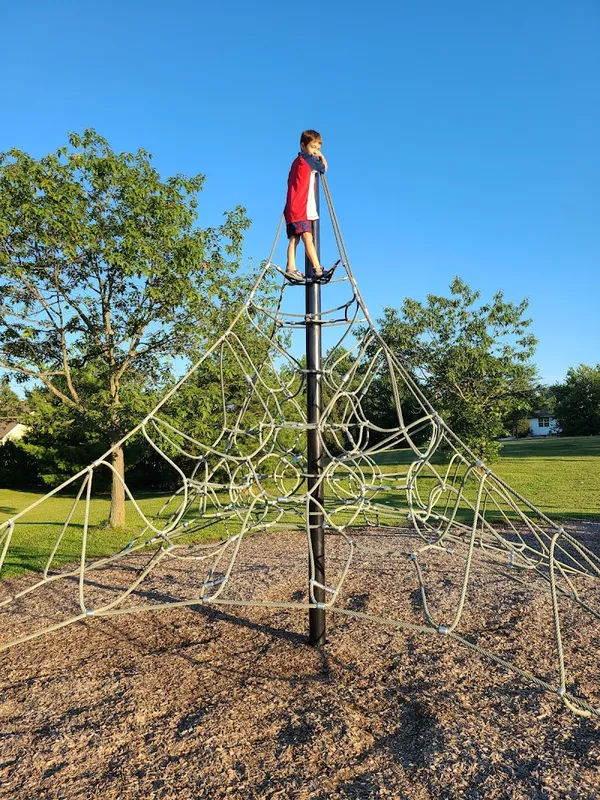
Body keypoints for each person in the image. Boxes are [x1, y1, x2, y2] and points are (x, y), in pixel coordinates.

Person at [283, 129, 333, 283]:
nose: (315, 152)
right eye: (313, 148)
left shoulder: (296, 162)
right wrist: (322, 156)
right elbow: (324, 168)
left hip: (291, 208)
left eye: (318, 148)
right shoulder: (309, 160)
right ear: (302, 145)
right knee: (307, 237)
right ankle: (317, 268)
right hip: (301, 208)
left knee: (294, 239)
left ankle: (291, 267)